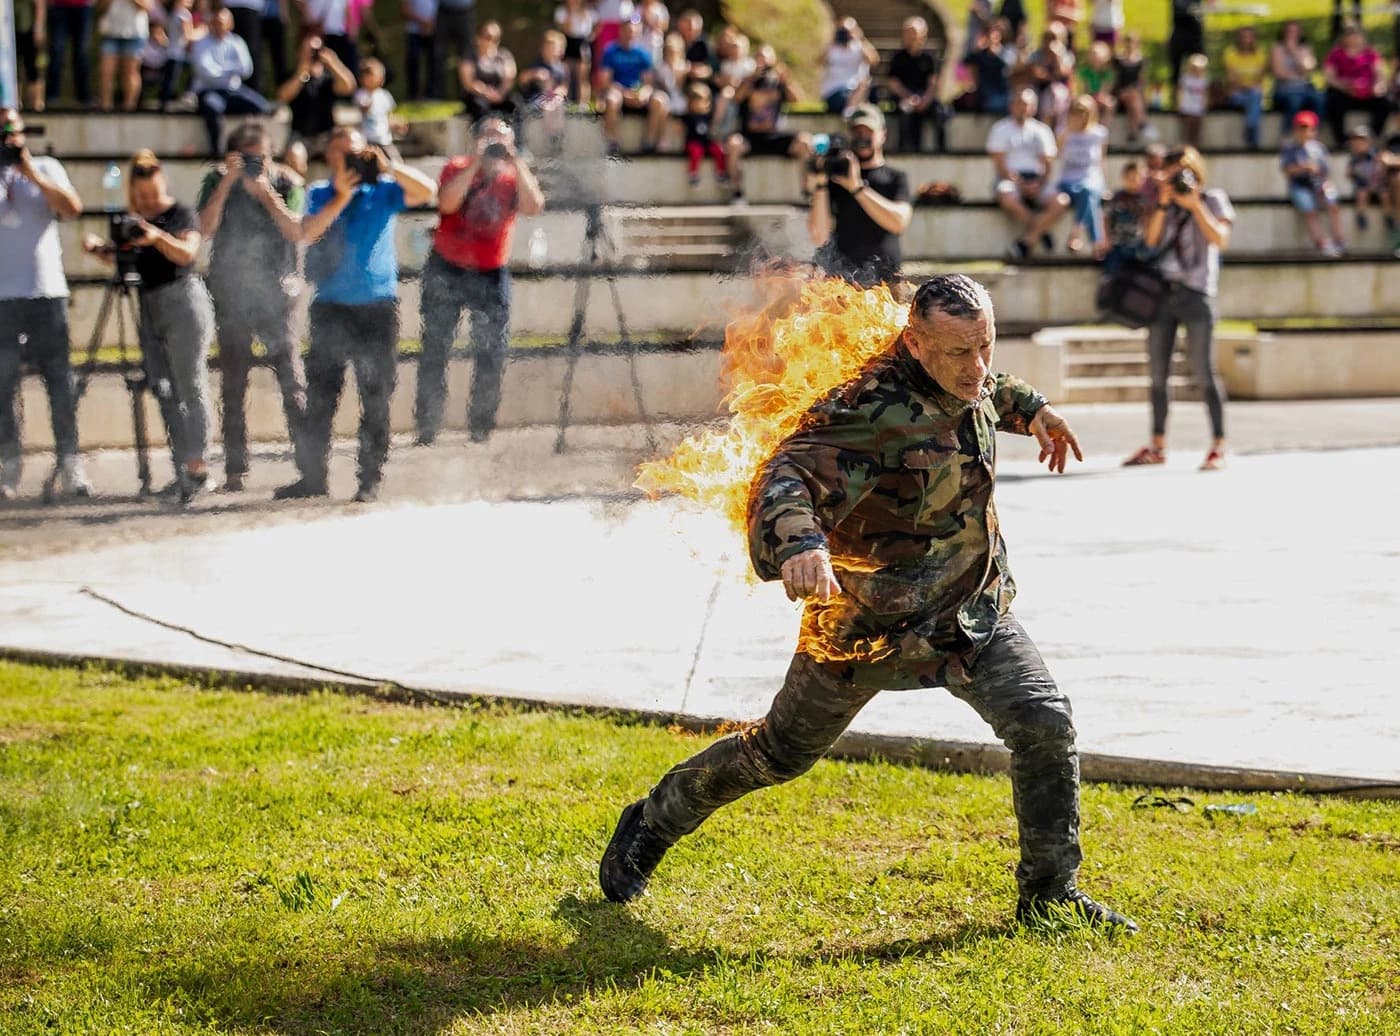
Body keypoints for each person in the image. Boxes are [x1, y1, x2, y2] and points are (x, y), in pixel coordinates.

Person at [599, 272, 1138, 935]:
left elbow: (993, 390)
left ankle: (1050, 896)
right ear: (915, 344)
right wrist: (802, 544)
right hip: (867, 626)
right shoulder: (866, 406)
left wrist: (1036, 411)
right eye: (960, 352)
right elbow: (787, 472)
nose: (977, 366)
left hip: (970, 611)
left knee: (1044, 721)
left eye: (986, 346)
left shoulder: (967, 374)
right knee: (778, 754)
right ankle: (655, 819)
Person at [275, 127, 436, 503]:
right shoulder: (320, 192)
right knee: (320, 398)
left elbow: (427, 191)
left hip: (377, 307)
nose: (349, 159)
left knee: (376, 397)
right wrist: (342, 196)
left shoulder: (382, 189)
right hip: (331, 307)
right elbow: (308, 232)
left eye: (356, 153)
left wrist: (389, 165)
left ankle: (369, 479)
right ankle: (313, 478)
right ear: (330, 156)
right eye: (343, 152)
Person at [84, 151, 215, 499]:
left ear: (162, 184)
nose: (147, 202)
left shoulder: (180, 213)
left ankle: (198, 467)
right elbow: (126, 259)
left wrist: (156, 235)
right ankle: (180, 467)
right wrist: (102, 250)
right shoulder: (133, 220)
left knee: (190, 385)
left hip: (183, 300)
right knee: (163, 387)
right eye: (140, 196)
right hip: (149, 303)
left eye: (152, 194)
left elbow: (187, 253)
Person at [414, 116, 542, 447]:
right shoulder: (457, 167)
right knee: (435, 348)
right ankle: (427, 426)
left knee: (491, 351)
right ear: (475, 140)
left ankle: (481, 428)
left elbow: (534, 207)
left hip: (491, 271)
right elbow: (446, 203)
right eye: (489, 136)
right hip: (447, 267)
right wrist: (476, 163)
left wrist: (516, 161)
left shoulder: (514, 175)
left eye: (502, 137)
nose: (495, 142)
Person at [196, 121, 308, 493]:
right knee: (232, 385)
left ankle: (309, 465)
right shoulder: (216, 181)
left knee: (292, 380)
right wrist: (228, 182)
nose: (254, 165)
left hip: (276, 292)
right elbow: (204, 229)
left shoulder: (287, 182)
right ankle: (235, 468)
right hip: (231, 292)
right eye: (246, 158)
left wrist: (265, 193)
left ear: (271, 155)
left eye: (259, 157)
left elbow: (295, 229)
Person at [1124, 145, 1232, 472]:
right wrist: (1162, 203)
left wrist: (1195, 205)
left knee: (1204, 372)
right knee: (1158, 374)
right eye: (1171, 174)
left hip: (1196, 293)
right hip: (1163, 294)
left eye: (1183, 173)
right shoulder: (1164, 203)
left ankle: (1218, 445)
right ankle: (1157, 445)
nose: (1178, 180)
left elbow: (1220, 238)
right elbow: (1151, 241)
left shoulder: (1212, 199)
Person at [0, 109, 89, 501]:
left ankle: (70, 461)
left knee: (59, 382)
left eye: (11, 131)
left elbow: (71, 209)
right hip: (3, 298)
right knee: (2, 384)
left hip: (45, 293)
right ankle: (9, 463)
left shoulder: (46, 167)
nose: (7, 139)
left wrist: (29, 171)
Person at [807, 105, 912, 288]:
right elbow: (819, 236)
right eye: (857, 132)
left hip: (885, 283)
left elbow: (899, 222)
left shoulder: (895, 177)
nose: (862, 138)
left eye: (868, 132)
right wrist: (821, 183)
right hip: (842, 283)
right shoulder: (836, 180)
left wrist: (857, 188)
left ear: (883, 134)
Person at [724, 46, 812, 205]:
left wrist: (787, 80)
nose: (763, 62)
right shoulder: (748, 81)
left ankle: (807, 192)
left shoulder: (778, 82)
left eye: (766, 58)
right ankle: (737, 192)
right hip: (750, 137)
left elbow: (798, 100)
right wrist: (751, 79)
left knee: (805, 142)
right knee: (733, 144)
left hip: (774, 135)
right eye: (759, 57)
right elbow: (737, 99)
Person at [1021, 94, 1108, 257]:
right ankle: (1096, 242)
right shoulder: (1063, 132)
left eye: (1084, 113)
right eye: (1076, 112)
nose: (1081, 116)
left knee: (1088, 191)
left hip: (1091, 179)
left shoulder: (1100, 133)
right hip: (1068, 181)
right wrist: (1067, 131)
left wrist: (1104, 185)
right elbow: (1055, 156)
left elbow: (1100, 162)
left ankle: (1077, 232)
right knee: (1089, 197)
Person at [190, 7, 272, 157]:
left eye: (222, 23)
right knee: (212, 108)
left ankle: (252, 150)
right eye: (216, 22)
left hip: (233, 92)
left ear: (230, 24)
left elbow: (246, 69)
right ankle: (217, 151)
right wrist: (231, 70)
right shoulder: (202, 43)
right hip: (210, 91)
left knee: (262, 107)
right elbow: (206, 73)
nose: (219, 26)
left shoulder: (237, 42)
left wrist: (220, 69)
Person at [988, 88, 1058, 260]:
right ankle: (1041, 229)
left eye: (1026, 104)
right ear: (1011, 106)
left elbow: (1048, 163)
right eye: (1019, 103)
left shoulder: (1042, 130)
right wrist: (1020, 183)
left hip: (1037, 179)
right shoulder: (1000, 128)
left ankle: (1027, 241)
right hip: (1010, 179)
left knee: (1061, 201)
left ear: (1034, 107)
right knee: (1006, 196)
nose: (1022, 107)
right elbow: (999, 163)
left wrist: (1039, 183)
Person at [277, 34, 356, 175]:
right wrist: (301, 73)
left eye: (317, 50)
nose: (313, 54)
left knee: (349, 147)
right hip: (301, 136)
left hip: (327, 136)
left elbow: (349, 87)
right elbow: (283, 96)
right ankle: (298, 188)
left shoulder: (328, 78)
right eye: (309, 50)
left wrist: (334, 62)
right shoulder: (292, 75)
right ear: (299, 52)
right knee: (294, 154)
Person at [596, 16, 668, 157]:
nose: (631, 34)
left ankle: (650, 142)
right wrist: (624, 93)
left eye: (634, 31)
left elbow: (648, 83)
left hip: (638, 95)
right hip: (618, 92)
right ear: (621, 31)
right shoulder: (610, 51)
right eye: (628, 30)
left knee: (661, 100)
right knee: (611, 99)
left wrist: (643, 94)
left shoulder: (643, 54)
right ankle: (612, 142)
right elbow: (605, 81)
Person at [1281, 110, 1346, 257]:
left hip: (1319, 183)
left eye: (1308, 128)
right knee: (1310, 210)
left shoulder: (1319, 148)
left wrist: (1324, 183)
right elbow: (1286, 171)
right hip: (1299, 186)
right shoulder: (1289, 149)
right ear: (1295, 130)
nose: (1304, 132)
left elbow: (1326, 171)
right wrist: (1303, 168)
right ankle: (1322, 242)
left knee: (1333, 205)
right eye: (1301, 128)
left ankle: (1339, 240)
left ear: (1314, 130)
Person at [1322, 24, 1390, 148]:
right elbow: (1330, 77)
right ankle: (1341, 141)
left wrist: (1377, 87)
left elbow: (1380, 75)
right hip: (1345, 94)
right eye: (1350, 35)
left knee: (1385, 102)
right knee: (1334, 100)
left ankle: (1371, 138)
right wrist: (1345, 87)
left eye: (1356, 35)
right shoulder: (1336, 54)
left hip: (1368, 94)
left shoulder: (1371, 53)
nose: (1353, 38)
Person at [887, 16, 946, 154]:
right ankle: (906, 148)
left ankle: (941, 149)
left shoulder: (929, 58)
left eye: (913, 32)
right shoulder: (898, 58)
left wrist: (925, 100)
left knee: (940, 112)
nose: (910, 36)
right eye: (907, 32)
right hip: (904, 98)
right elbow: (893, 82)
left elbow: (933, 82)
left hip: (925, 98)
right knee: (906, 111)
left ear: (923, 34)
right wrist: (908, 96)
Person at [460, 20, 520, 127]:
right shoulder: (469, 56)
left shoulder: (504, 55)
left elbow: (509, 78)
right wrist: (486, 92)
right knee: (479, 106)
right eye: (488, 37)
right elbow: (468, 82)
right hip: (477, 96)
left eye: (496, 38)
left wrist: (500, 93)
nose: (491, 41)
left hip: (500, 95)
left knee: (515, 103)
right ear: (478, 37)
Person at [96, 0, 150, 111]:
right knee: (106, 72)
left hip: (135, 33)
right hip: (110, 32)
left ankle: (128, 109)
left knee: (130, 73)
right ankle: (105, 108)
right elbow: (100, 7)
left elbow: (147, 7)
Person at [1270, 21, 1322, 137]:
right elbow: (1279, 73)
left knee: (1319, 98)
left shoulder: (1306, 48)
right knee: (1294, 101)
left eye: (1295, 31)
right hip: (1284, 90)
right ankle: (1288, 135)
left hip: (1304, 89)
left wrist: (1293, 51)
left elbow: (1308, 69)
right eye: (1289, 31)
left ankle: (1314, 133)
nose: (1292, 34)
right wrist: (1299, 75)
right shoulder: (1277, 49)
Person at [818, 17, 877, 115]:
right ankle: (851, 110)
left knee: (867, 86)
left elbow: (873, 61)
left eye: (848, 31)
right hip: (834, 92)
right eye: (842, 30)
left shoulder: (859, 47)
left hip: (856, 90)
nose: (845, 34)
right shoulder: (832, 49)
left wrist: (860, 39)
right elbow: (819, 62)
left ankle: (850, 111)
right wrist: (832, 40)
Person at [1223, 26, 1266, 150]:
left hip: (1252, 94)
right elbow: (1231, 80)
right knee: (1254, 99)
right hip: (1236, 95)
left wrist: (1245, 85)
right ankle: (1252, 133)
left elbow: (1260, 79)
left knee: (1254, 97)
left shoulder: (1260, 54)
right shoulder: (1230, 53)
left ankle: (1251, 130)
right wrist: (1248, 85)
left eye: (1248, 37)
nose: (1246, 39)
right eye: (1243, 37)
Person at [1102, 158, 1147, 272]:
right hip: (1117, 245)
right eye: (1131, 177)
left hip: (1137, 245)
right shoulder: (1115, 197)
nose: (1135, 181)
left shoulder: (1145, 200)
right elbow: (1106, 218)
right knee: (1112, 273)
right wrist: (1106, 239)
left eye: (1138, 177)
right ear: (1124, 176)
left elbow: (1147, 221)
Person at [1345, 125, 1392, 234]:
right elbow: (1349, 174)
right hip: (1362, 182)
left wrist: (1381, 170)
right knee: (1361, 195)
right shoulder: (1354, 158)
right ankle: (1361, 216)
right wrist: (1352, 174)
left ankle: (1388, 216)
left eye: (1362, 142)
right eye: (1356, 142)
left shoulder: (1376, 155)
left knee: (1385, 195)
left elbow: (1383, 167)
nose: (1359, 145)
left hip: (1377, 181)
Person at [355, 57, 403, 163]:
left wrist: (397, 124)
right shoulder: (361, 94)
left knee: (397, 163)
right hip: (367, 139)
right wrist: (370, 97)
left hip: (384, 138)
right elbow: (363, 109)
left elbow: (389, 116)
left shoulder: (385, 95)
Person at [47, 0, 94, 106]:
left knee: (82, 53)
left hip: (83, 7)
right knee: (56, 51)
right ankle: (52, 96)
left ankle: (84, 97)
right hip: (59, 7)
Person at [961, 21, 1015, 115]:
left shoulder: (1008, 55)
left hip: (1002, 95)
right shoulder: (979, 55)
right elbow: (968, 65)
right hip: (984, 96)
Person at [681, 82, 727, 188]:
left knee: (719, 150)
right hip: (693, 143)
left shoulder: (709, 116)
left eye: (701, 101)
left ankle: (721, 173)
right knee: (696, 150)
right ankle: (693, 175)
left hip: (707, 143)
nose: (698, 104)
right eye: (695, 101)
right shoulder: (687, 116)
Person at [553, 0, 595, 103]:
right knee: (565, 77)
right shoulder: (561, 11)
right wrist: (571, 12)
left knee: (582, 78)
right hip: (567, 42)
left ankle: (583, 106)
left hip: (582, 44)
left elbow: (591, 28)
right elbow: (566, 29)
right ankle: (564, 103)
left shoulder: (588, 11)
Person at [1112, 32, 1150, 142]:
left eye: (1132, 42)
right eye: (1127, 42)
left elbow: (1141, 81)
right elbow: (1114, 80)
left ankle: (1132, 134)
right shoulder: (1118, 60)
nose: (1130, 45)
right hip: (1120, 93)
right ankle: (1142, 123)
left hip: (1134, 95)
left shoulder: (1141, 61)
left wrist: (1144, 97)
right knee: (1133, 96)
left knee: (1133, 100)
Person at [435, 0, 476, 99]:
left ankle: (465, 93)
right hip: (444, 10)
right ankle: (437, 93)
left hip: (466, 11)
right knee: (439, 54)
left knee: (466, 55)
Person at [221, 0, 264, 92]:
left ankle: (254, 93)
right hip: (228, 6)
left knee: (252, 51)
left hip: (250, 7)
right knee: (225, 48)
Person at [14, 0, 47, 111]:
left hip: (29, 29)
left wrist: (39, 29)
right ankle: (14, 102)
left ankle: (36, 102)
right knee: (13, 67)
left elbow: (40, 5)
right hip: (11, 28)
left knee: (33, 65)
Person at [402, 0, 439, 99]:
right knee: (413, 61)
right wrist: (422, 22)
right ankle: (413, 94)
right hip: (413, 31)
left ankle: (431, 94)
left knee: (434, 63)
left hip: (434, 30)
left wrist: (431, 24)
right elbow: (405, 10)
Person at [1168, 0, 1205, 92]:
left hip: (1195, 32)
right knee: (1176, 71)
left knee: (1200, 64)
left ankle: (1199, 94)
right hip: (1180, 31)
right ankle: (1176, 95)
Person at [1077, 40, 1116, 122]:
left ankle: (1104, 124)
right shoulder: (1084, 71)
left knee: (1109, 104)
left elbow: (1106, 88)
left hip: (1101, 96)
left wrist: (1100, 96)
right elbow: (1083, 88)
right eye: (1092, 55)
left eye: (1097, 56)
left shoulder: (1108, 73)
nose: (1095, 59)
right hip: (1088, 95)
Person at [1176, 52, 1209, 149]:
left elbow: (1205, 95)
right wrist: (1179, 105)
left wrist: (1204, 106)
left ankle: (1195, 147)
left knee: (1196, 129)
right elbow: (1180, 92)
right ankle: (1185, 147)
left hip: (1198, 109)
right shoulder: (1185, 79)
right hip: (1187, 108)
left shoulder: (1204, 80)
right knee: (1186, 129)